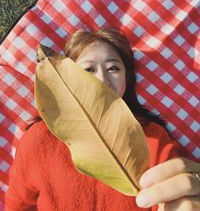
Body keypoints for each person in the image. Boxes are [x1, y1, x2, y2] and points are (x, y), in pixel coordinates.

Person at [5, 28, 200, 211]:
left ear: (127, 79)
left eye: (113, 68)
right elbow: (17, 205)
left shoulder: (152, 137)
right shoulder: (38, 140)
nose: (102, 79)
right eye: (88, 70)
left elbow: (178, 194)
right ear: (67, 83)